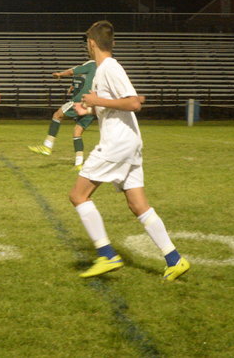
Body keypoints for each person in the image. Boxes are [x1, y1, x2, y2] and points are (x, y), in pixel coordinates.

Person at [69, 20, 189, 281]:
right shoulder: (104, 70)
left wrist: (96, 100)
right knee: (138, 205)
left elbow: (133, 103)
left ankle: (107, 255)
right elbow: (116, 105)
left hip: (117, 143)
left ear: (91, 43)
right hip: (129, 142)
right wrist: (89, 109)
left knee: (78, 195)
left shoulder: (110, 67)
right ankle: (174, 259)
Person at [29, 60, 97, 170]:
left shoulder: (91, 65)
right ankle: (79, 164)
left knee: (57, 115)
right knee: (77, 132)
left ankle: (47, 146)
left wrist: (60, 74)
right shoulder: (103, 70)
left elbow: (72, 71)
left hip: (80, 102)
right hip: (93, 104)